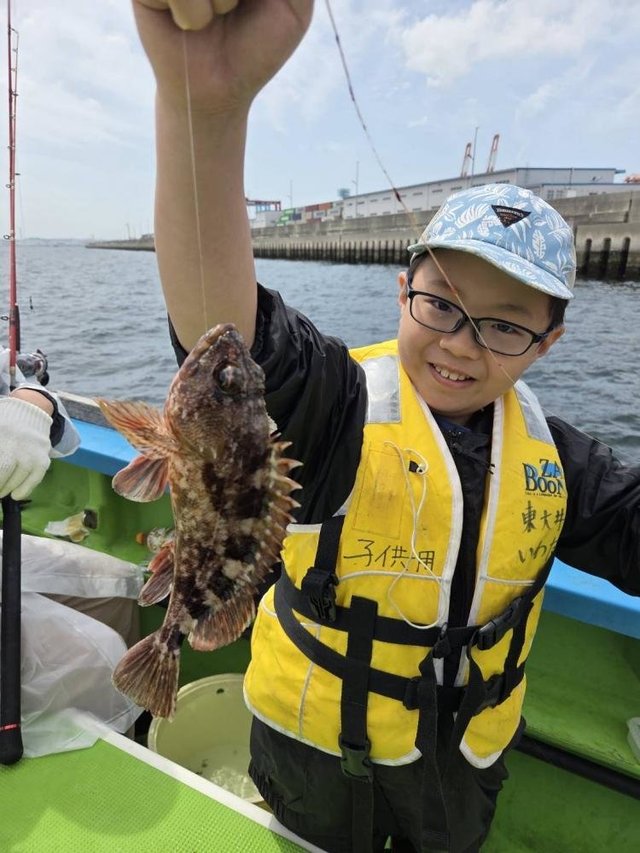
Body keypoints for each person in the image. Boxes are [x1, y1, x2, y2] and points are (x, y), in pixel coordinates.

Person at [132, 2, 640, 851]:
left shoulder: (565, 466)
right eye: (441, 303)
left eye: (504, 326)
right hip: (308, 759)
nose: (458, 345)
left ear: (547, 342)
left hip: (461, 770)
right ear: (402, 291)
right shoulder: (335, 410)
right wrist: (205, 109)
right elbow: (228, 332)